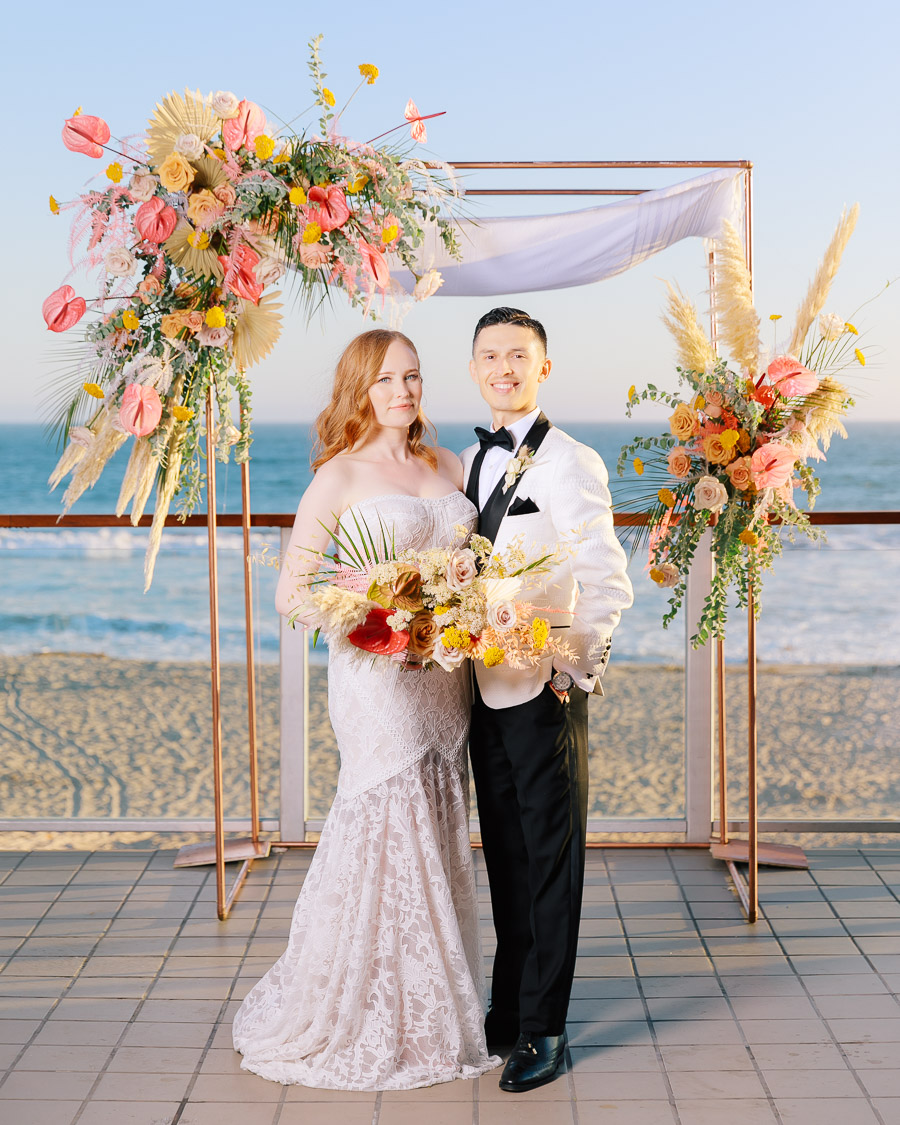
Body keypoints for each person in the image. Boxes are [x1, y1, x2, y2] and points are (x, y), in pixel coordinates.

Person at [233, 329, 499, 1090]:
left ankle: (434, 1007)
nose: (404, 391)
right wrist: (378, 605)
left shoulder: (449, 465)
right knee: (389, 816)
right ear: (361, 388)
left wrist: (457, 612)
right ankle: (367, 1010)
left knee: (439, 818)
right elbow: (293, 593)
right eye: (387, 380)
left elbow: (472, 570)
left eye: (413, 376)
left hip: (444, 677)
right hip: (377, 679)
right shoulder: (340, 475)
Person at [461, 307, 633, 1093]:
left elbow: (609, 580)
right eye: (490, 356)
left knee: (552, 861)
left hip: (545, 689)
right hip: (480, 690)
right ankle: (510, 1003)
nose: (504, 368)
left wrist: (571, 671)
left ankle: (547, 1027)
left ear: (543, 368)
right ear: (476, 369)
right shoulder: (470, 459)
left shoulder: (571, 460)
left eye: (518, 356)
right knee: (505, 855)